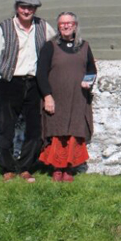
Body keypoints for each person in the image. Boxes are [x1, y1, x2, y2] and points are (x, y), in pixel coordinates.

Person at [0, 0, 56, 182]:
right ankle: (7, 168)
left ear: (35, 10)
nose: (27, 11)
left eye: (31, 8)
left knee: (35, 130)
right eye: (23, 7)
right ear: (17, 8)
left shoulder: (42, 26)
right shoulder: (4, 28)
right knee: (5, 128)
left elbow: (56, 43)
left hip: (33, 84)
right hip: (10, 82)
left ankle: (26, 167)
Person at [36, 11, 97, 182]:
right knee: (57, 133)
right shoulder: (50, 46)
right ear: (58, 26)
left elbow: (91, 70)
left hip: (78, 99)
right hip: (56, 99)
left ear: (75, 25)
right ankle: (57, 168)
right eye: (62, 23)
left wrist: (87, 81)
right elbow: (41, 73)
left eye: (69, 23)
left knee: (74, 133)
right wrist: (47, 96)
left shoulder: (84, 46)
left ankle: (69, 169)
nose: (66, 25)